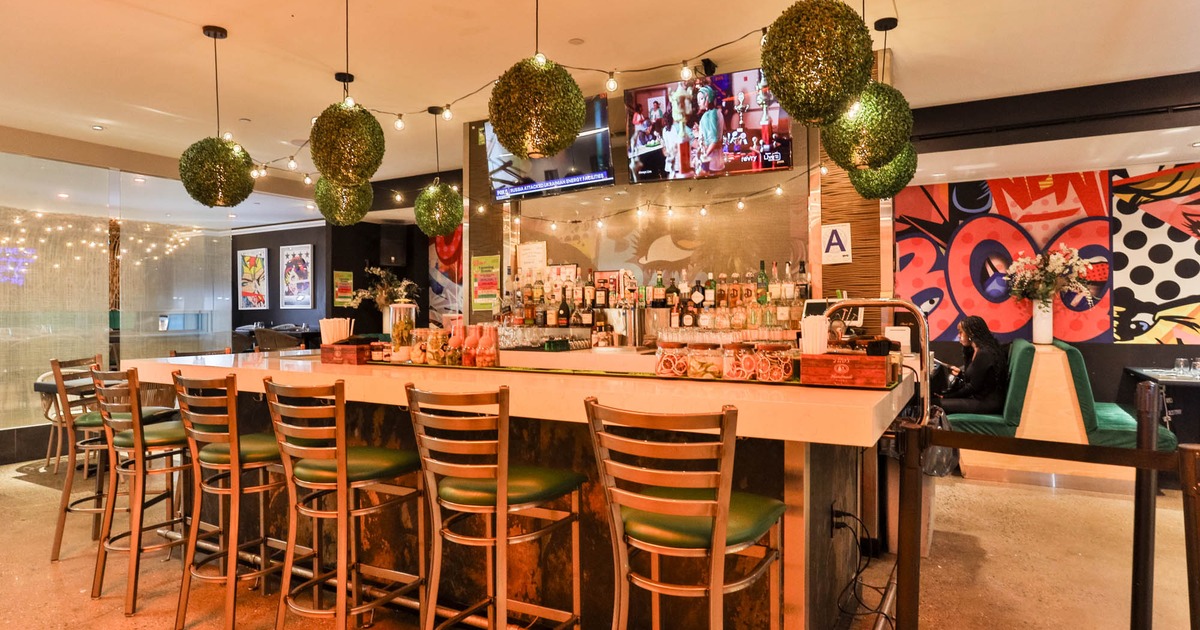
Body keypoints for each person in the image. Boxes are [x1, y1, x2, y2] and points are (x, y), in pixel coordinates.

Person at [935, 316, 1007, 414]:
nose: (959, 336)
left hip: (986, 403)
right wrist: (961, 374)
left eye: (961, 332)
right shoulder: (977, 350)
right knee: (934, 401)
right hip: (979, 398)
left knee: (934, 404)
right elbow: (977, 381)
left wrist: (947, 396)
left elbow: (973, 387)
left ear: (971, 333)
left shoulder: (984, 353)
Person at [694, 85, 725, 175]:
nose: (699, 102)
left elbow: (714, 141)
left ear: (708, 98)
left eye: (701, 98)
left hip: (710, 164)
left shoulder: (709, 115)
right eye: (698, 99)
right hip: (718, 162)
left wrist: (703, 157)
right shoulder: (717, 112)